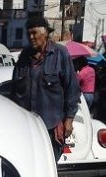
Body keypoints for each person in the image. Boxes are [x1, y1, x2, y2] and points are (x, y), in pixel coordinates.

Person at [11, 15, 81, 161]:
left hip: (51, 127)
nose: (31, 37)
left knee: (48, 166)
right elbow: (14, 91)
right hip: (26, 127)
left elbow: (72, 89)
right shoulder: (24, 57)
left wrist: (69, 120)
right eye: (28, 34)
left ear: (45, 33)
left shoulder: (60, 53)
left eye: (34, 33)